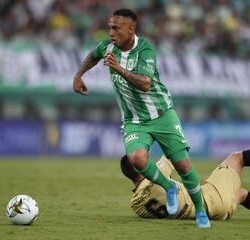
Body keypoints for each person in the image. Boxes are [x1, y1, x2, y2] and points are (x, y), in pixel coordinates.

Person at [73, 9, 209, 227]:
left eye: (116, 28)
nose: (111, 33)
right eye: (109, 27)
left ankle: (201, 210)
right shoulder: (107, 47)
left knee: (183, 165)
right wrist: (79, 75)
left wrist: (119, 69)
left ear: (131, 29)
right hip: (134, 120)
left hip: (162, 115)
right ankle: (169, 186)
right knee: (136, 159)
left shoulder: (145, 49)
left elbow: (145, 83)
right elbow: (93, 56)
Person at [120, 124, 250, 222]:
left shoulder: (135, 205)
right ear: (139, 166)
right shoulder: (156, 175)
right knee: (236, 158)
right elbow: (172, 154)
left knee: (239, 194)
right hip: (208, 199)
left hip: (215, 212)